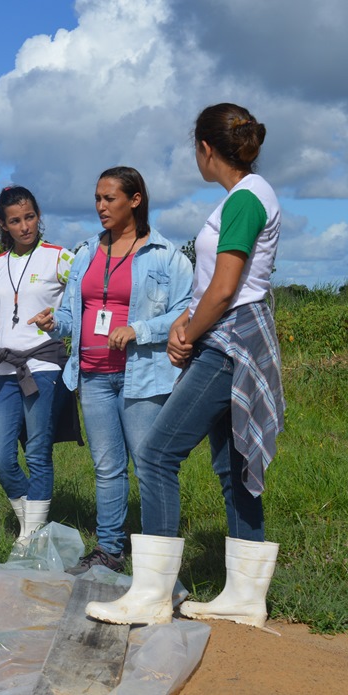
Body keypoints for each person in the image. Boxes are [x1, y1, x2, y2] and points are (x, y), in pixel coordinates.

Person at [86, 104, 284, 627]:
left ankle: (150, 595)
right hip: (231, 333)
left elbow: (225, 288)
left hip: (229, 341)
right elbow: (218, 289)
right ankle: (244, 596)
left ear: (205, 149)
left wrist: (187, 336)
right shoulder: (249, 195)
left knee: (154, 454)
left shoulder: (243, 200)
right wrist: (187, 323)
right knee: (232, 464)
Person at [31, 167, 192, 573]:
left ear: (135, 200)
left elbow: (185, 310)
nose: (101, 206)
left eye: (110, 199)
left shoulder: (165, 255)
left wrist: (139, 329)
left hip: (142, 376)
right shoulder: (85, 251)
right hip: (92, 374)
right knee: (107, 467)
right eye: (98, 198)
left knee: (149, 463)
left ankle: (158, 559)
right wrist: (56, 322)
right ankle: (109, 551)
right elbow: (72, 314)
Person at [0, 186, 73, 546]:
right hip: (3, 368)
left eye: (30, 217)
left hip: (44, 365)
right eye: (15, 220)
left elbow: (79, 304)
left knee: (37, 449)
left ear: (38, 215)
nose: (25, 226)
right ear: (3, 224)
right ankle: (29, 520)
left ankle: (31, 532)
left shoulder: (60, 258)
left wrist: (60, 321)